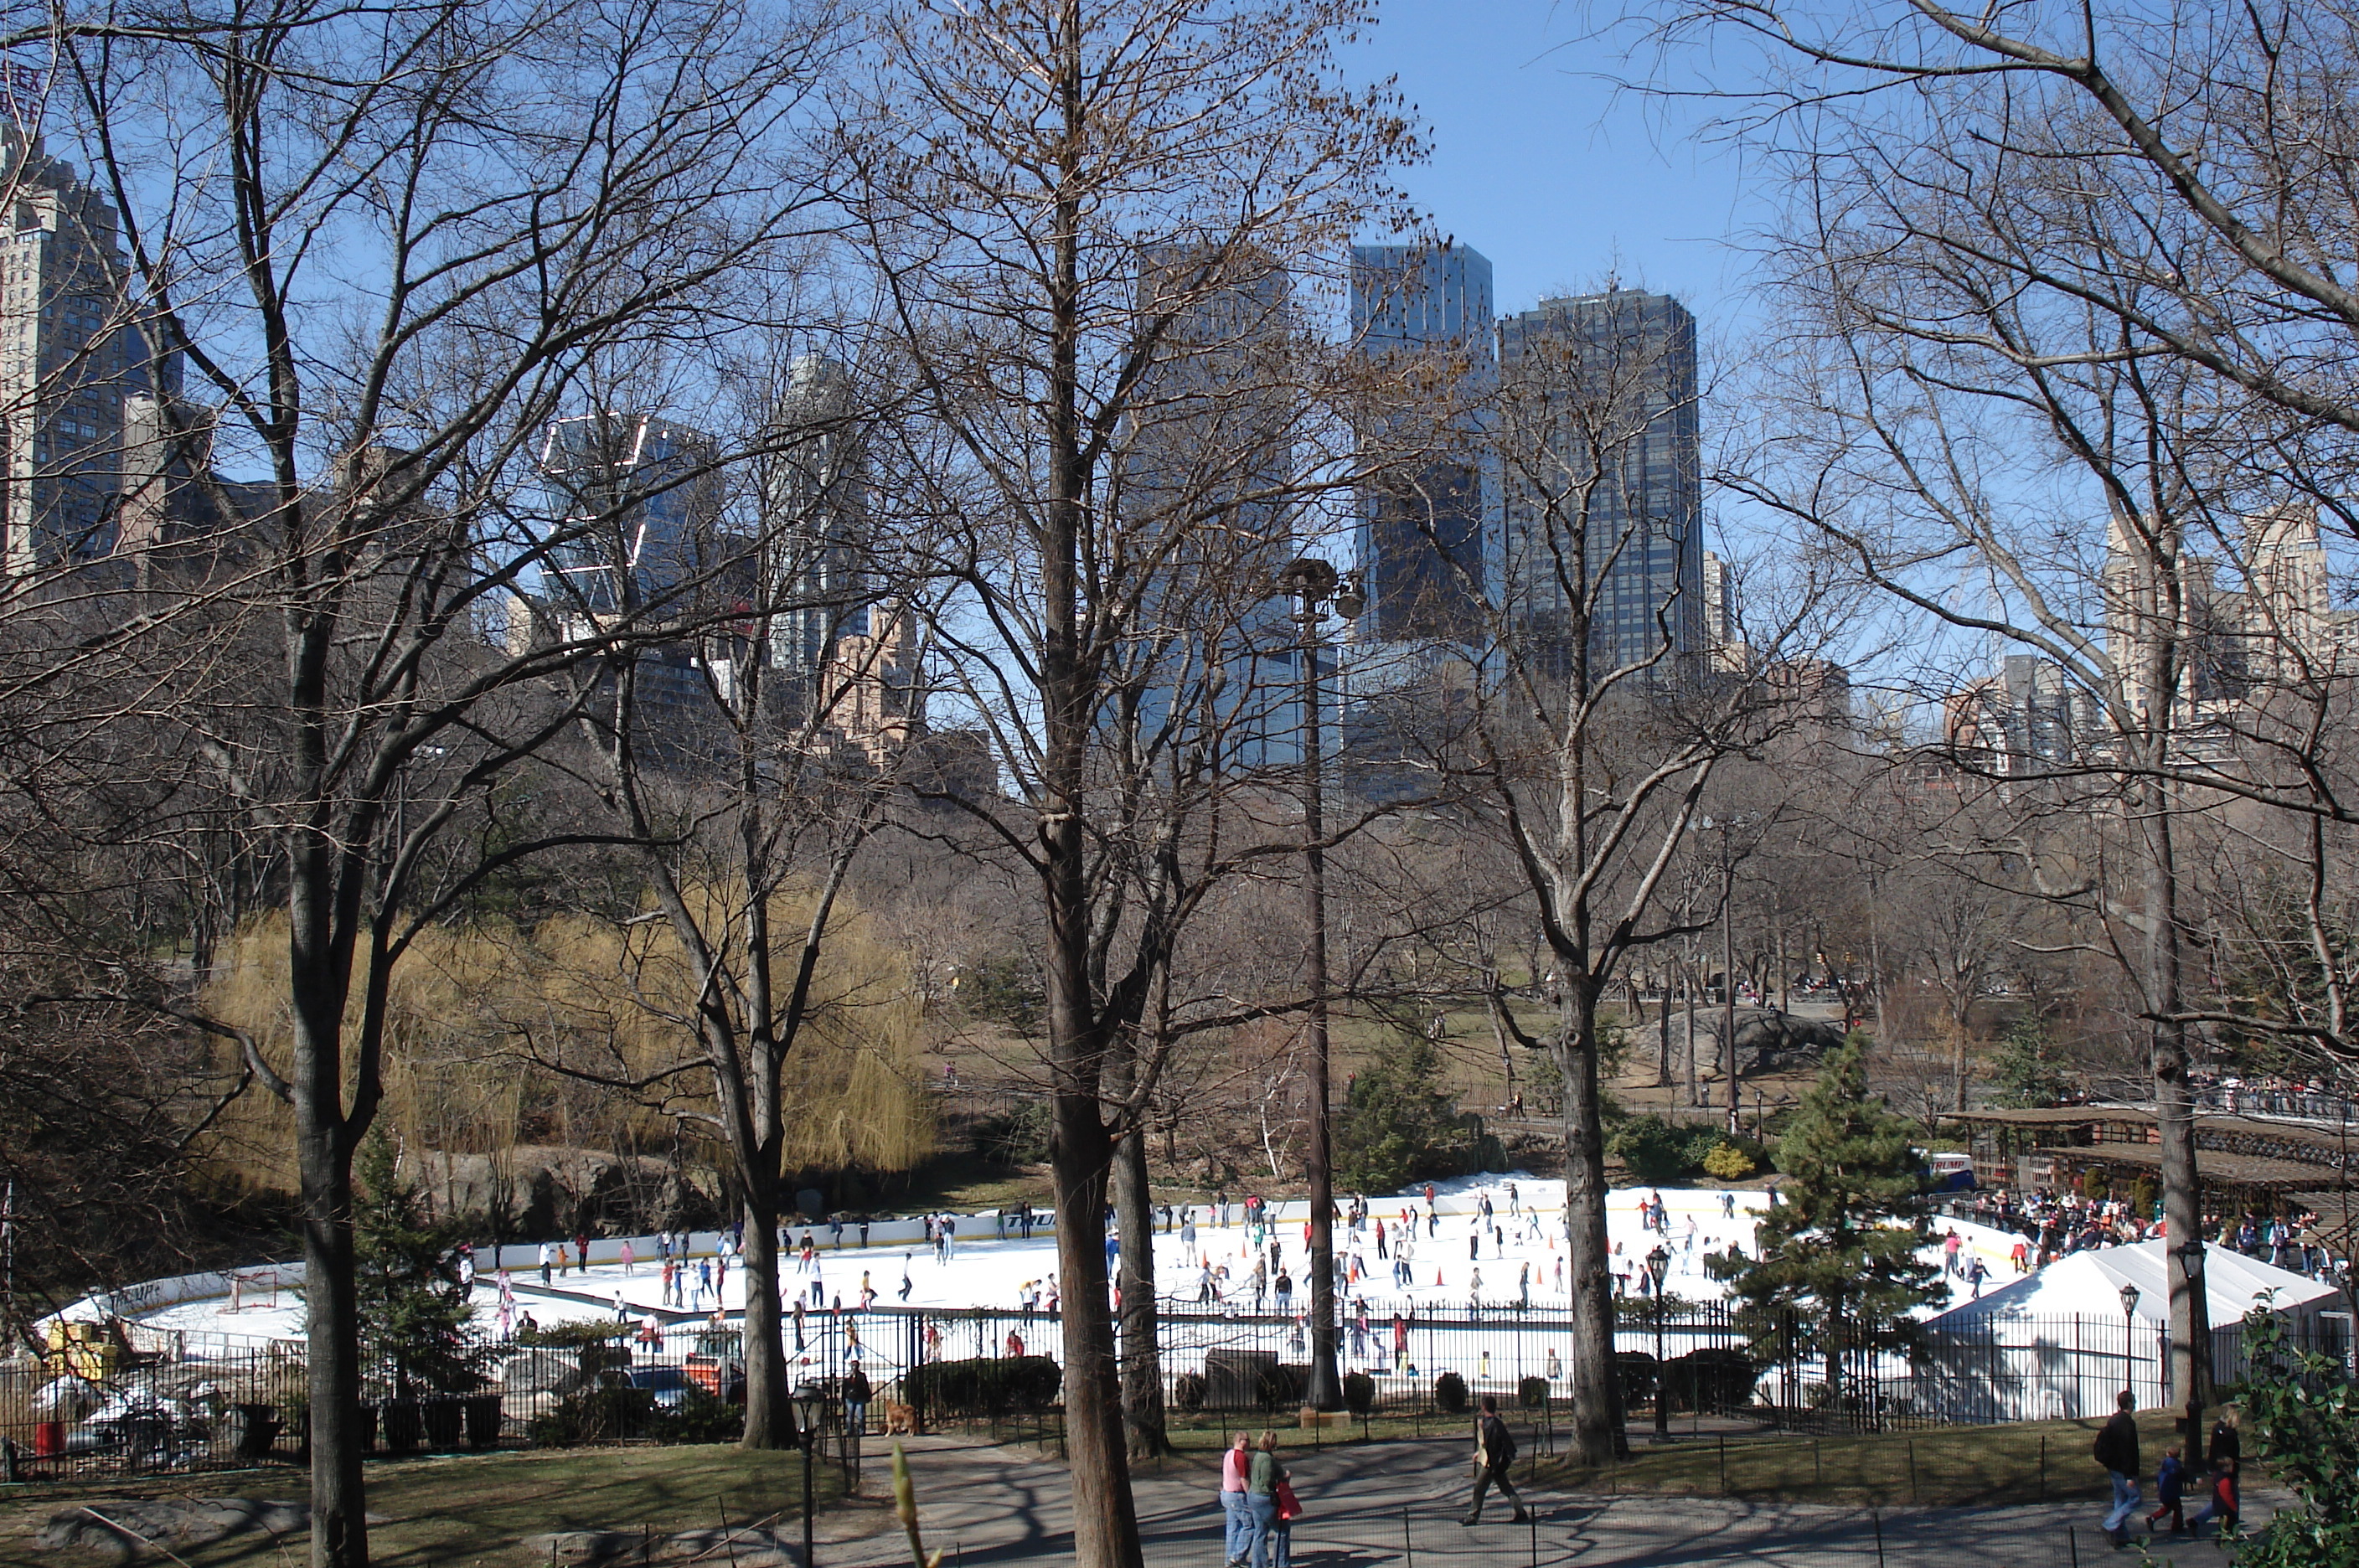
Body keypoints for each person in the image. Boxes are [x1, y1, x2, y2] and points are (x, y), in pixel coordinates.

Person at [1460, 1395, 1529, 1525]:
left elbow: (1492, 1445)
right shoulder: (1494, 1423)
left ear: (1483, 1406)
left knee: (1479, 1489)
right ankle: (1521, 1513)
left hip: (1490, 1464)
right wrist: (1478, 1453)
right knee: (1506, 1489)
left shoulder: (1491, 1424)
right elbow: (1488, 1444)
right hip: (1495, 1462)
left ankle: (1472, 1516)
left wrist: (1491, 1460)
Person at [2093, 1390, 2141, 1546]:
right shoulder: (2127, 1424)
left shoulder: (2114, 1420)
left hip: (2113, 1467)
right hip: (2123, 1469)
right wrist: (2129, 1475)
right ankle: (2110, 1525)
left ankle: (2121, 1535)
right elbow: (2127, 1450)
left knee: (2120, 1501)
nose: (2135, 1404)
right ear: (2129, 1403)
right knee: (2135, 1498)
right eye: (2133, 1401)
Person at [1246, 1430, 1284, 1568]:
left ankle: (1259, 1565)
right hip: (1264, 1498)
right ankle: (1281, 1564)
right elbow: (1268, 1480)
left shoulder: (1258, 1456)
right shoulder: (1268, 1459)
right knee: (1282, 1530)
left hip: (1253, 1496)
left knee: (1260, 1531)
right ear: (1272, 1443)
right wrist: (1282, 1478)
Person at [1220, 1431, 1252, 1567]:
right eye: (1247, 1440)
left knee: (1233, 1528)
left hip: (1226, 1494)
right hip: (1236, 1496)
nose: (1250, 1443)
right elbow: (1243, 1479)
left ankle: (1230, 1560)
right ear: (1241, 1441)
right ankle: (1237, 1555)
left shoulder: (1228, 1454)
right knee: (1250, 1525)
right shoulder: (1240, 1457)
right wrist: (1250, 1496)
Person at [2147, 1444, 2186, 1534]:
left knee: (2167, 1508)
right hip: (2172, 1492)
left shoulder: (2165, 1463)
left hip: (2164, 1491)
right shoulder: (2175, 1465)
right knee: (2177, 1509)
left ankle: (2153, 1518)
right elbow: (2181, 1475)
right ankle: (2177, 1527)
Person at [844, 1359, 872, 1439]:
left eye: (856, 1366)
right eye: (853, 1366)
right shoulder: (848, 1376)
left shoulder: (862, 1376)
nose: (854, 1368)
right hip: (850, 1397)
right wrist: (843, 1397)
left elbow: (865, 1386)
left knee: (860, 1415)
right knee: (850, 1415)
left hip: (860, 1397)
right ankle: (850, 1430)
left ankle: (861, 1431)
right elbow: (844, 1387)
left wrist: (868, 1395)